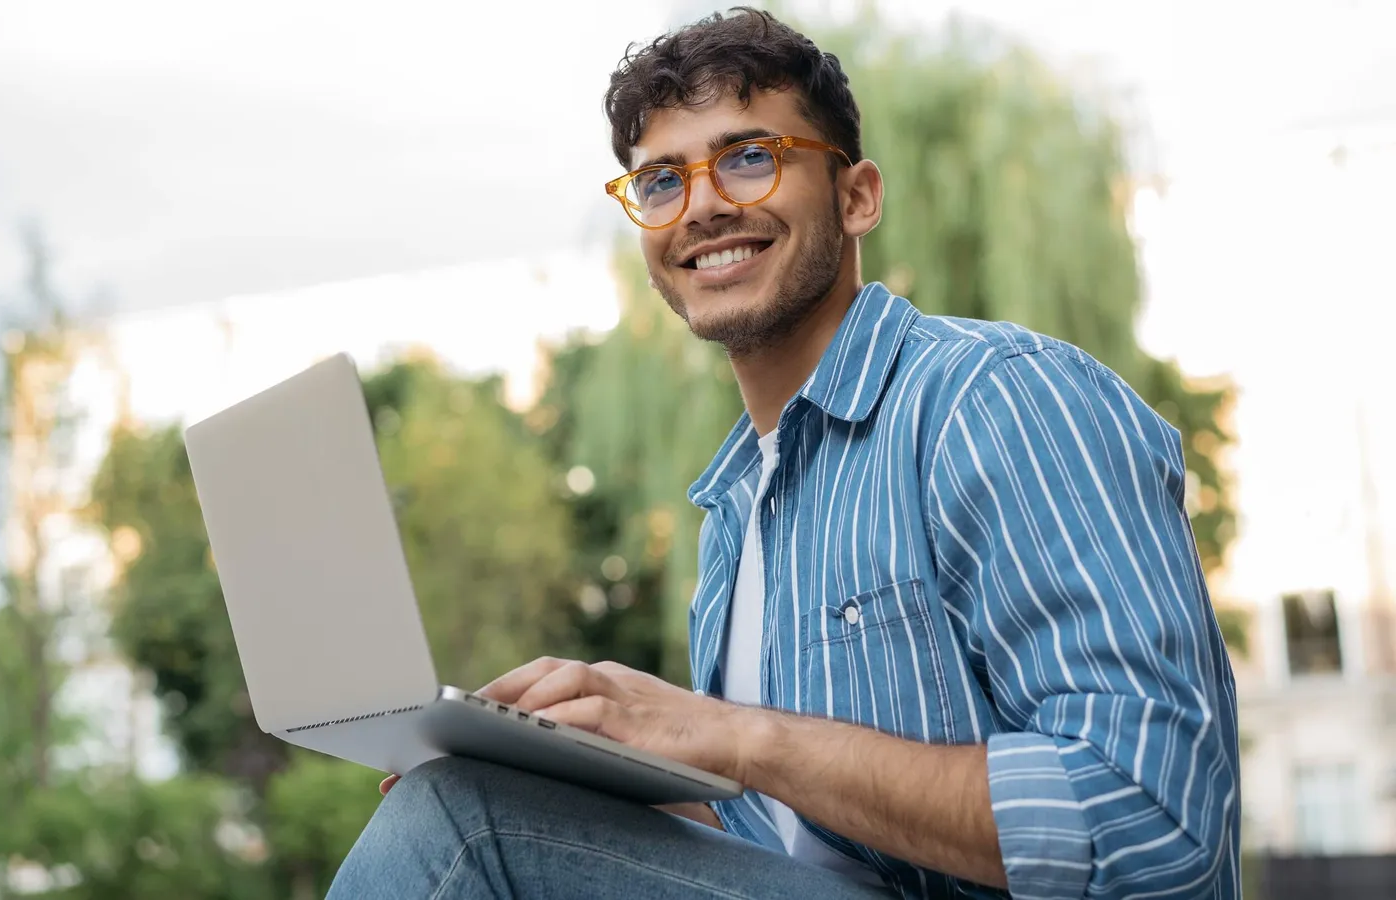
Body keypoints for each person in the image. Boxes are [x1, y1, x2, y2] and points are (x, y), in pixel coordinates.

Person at [327, 8, 1239, 899]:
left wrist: (734, 734)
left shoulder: (995, 400)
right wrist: (600, 766)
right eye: (661, 181)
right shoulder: (737, 505)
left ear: (857, 196)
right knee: (481, 799)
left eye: (750, 158)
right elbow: (798, 851)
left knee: (457, 821)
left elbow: (1156, 819)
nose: (706, 206)